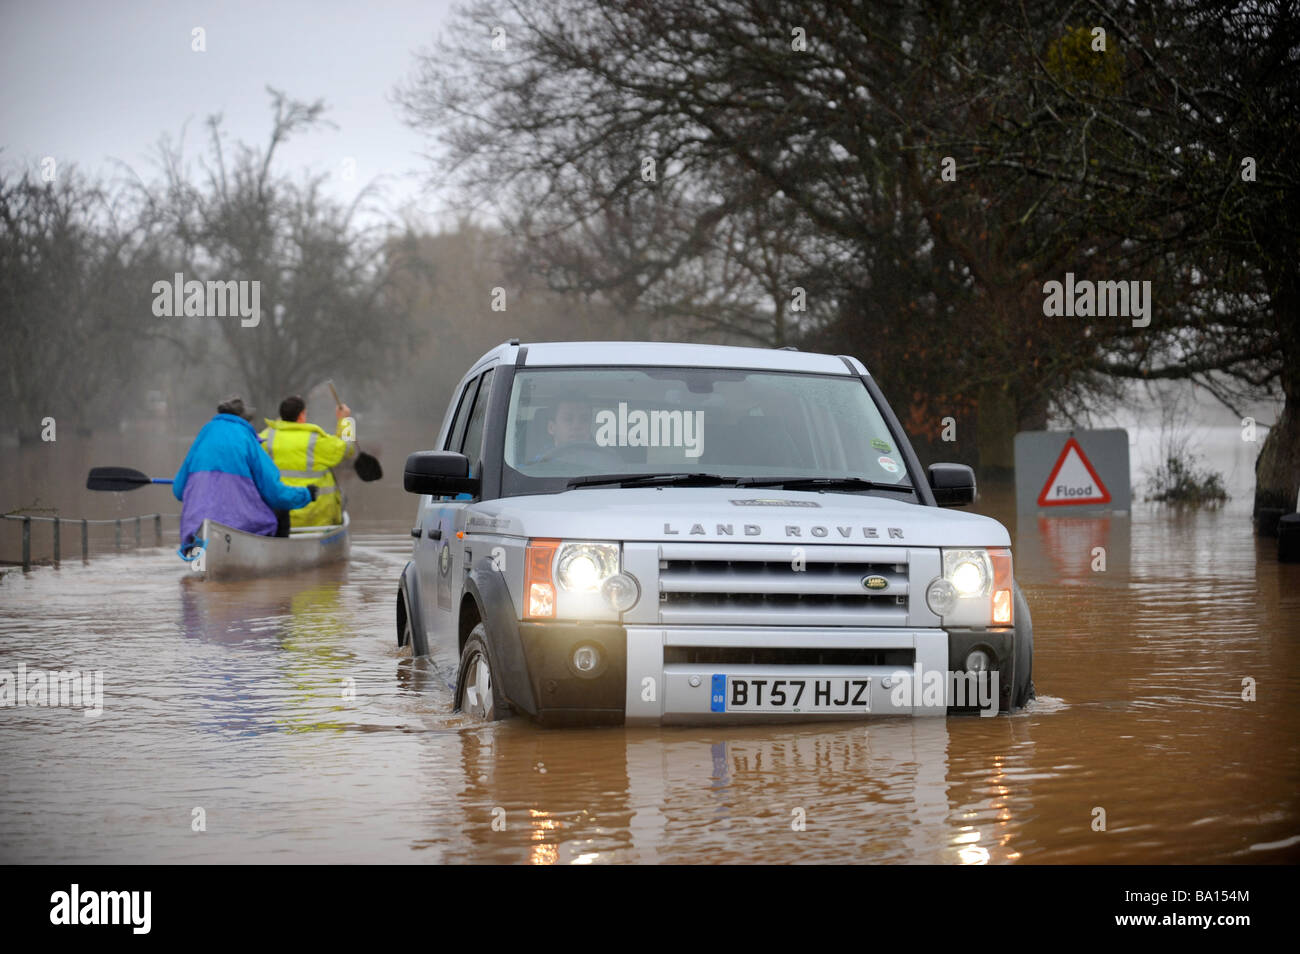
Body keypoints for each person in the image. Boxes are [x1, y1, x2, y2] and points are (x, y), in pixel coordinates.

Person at [173, 397, 315, 550]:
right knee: (281, 509)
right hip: (238, 528)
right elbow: (276, 495)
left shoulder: (204, 435)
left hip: (198, 529)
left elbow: (179, 491)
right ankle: (279, 559)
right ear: (245, 420)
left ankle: (201, 558)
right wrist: (306, 494)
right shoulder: (247, 438)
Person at [258, 395, 356, 529]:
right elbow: (348, 449)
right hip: (316, 518)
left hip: (277, 516)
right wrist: (345, 420)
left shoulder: (265, 438)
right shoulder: (316, 440)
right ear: (302, 415)